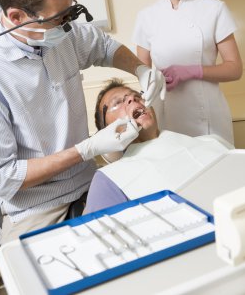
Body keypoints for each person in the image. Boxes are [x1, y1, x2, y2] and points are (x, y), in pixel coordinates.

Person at [0, 0, 165, 244]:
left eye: (69, 14)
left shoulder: (64, 33)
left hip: (90, 181)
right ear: (17, 16)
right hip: (37, 207)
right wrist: (86, 149)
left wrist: (140, 70)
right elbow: (5, 176)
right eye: (57, 19)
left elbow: (105, 47)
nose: (67, 26)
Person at [132, 0, 243, 145]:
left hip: (209, 116)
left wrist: (192, 71)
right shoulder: (146, 17)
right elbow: (142, 75)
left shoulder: (214, 9)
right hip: (167, 116)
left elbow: (234, 68)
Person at [84, 79, 233, 214]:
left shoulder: (210, 141)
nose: (132, 98)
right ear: (107, 131)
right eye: (117, 103)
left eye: (136, 95)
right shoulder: (109, 180)